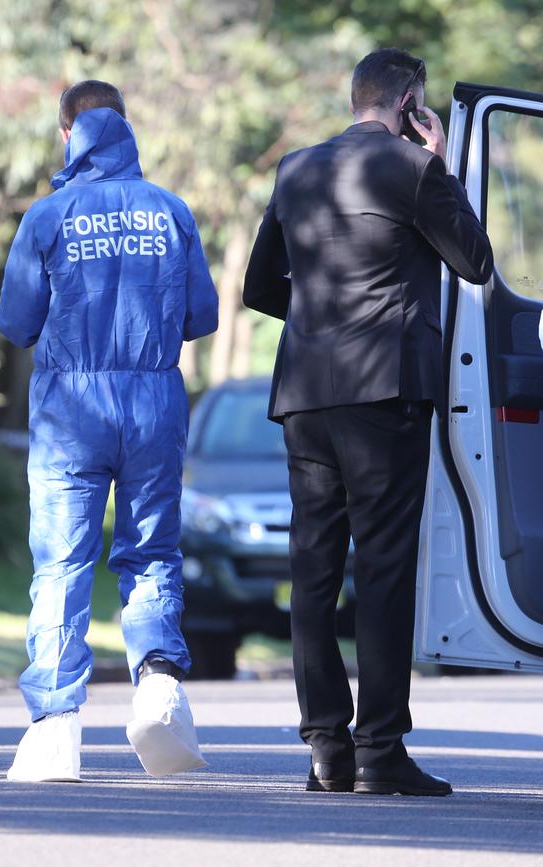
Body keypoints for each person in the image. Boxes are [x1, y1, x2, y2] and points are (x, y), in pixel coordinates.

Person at [243, 48, 493, 796]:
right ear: (411, 104)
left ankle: (325, 747)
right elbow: (476, 261)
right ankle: (380, 750)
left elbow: (260, 285)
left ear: (356, 98)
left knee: (314, 572)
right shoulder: (412, 170)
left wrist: (323, 321)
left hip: (305, 400)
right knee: (383, 572)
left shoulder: (295, 168)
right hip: (383, 395)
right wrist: (441, 162)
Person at [0, 80, 218, 782]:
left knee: (63, 562)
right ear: (124, 127)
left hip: (70, 410)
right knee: (151, 551)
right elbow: (203, 317)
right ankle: (158, 691)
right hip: (152, 399)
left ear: (69, 133)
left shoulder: (48, 215)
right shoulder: (171, 211)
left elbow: (15, 323)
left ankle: (56, 729)